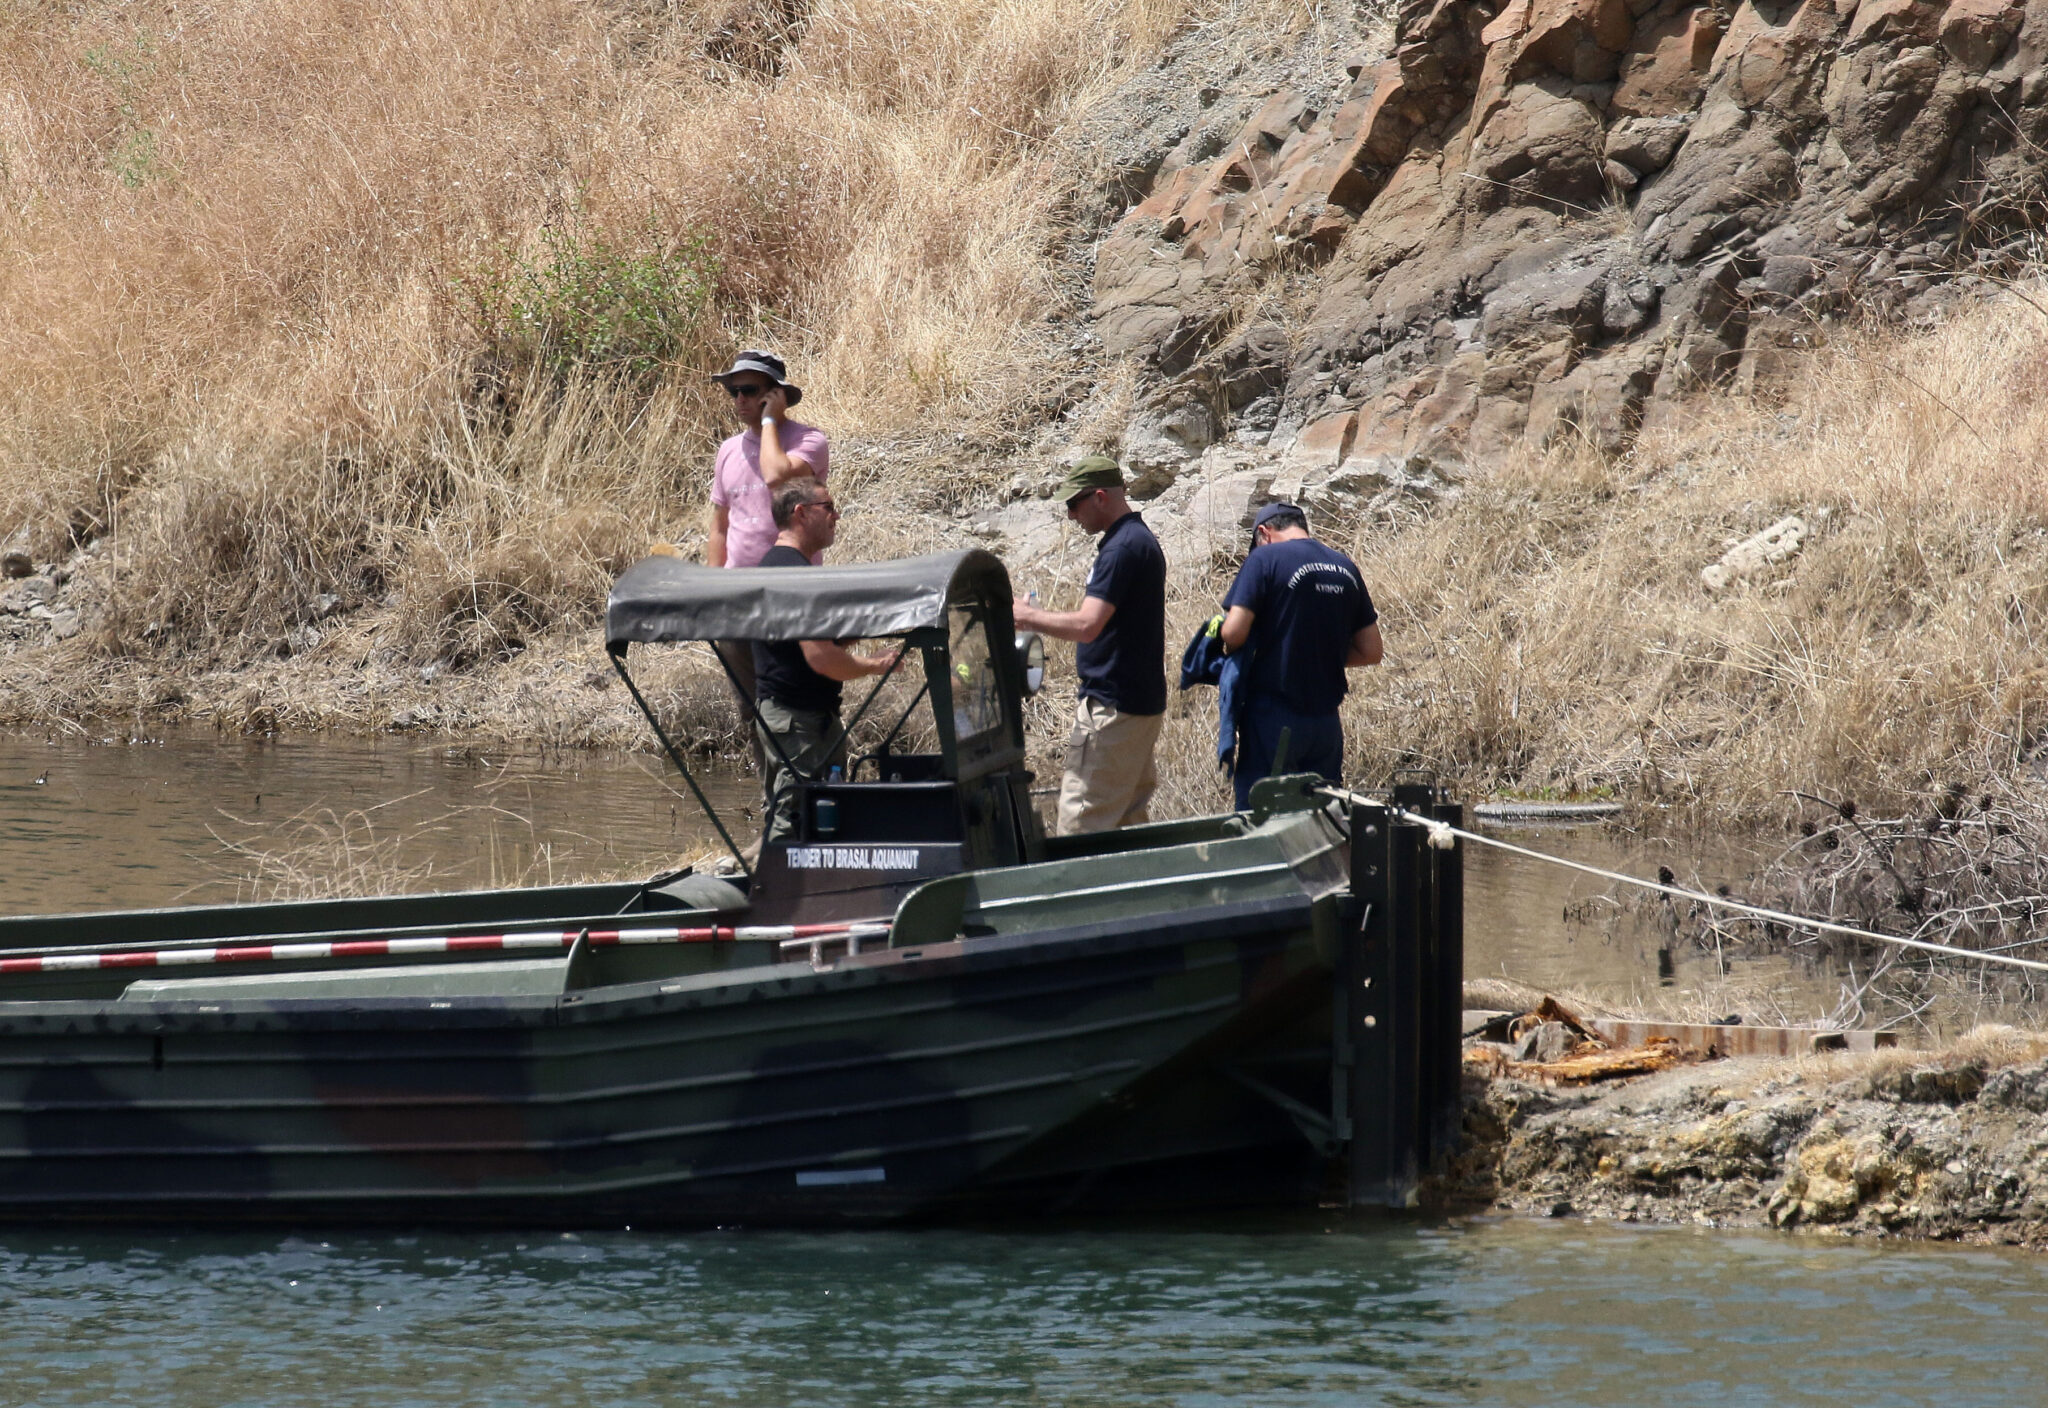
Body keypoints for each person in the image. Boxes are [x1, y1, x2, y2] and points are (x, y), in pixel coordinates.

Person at [1012, 455, 1166, 834]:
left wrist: (1024, 617)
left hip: (1113, 708)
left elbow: (1087, 625)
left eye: (1073, 504)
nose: (1070, 516)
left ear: (1099, 497)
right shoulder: (1134, 540)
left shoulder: (1122, 549)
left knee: (1080, 828)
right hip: (1135, 704)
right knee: (1128, 824)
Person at [751, 477, 899, 842]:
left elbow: (810, 645)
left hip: (796, 716)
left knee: (806, 813)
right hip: (797, 721)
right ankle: (782, 894)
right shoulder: (795, 577)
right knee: (796, 818)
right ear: (801, 513)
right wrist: (875, 665)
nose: (837, 516)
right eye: (828, 508)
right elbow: (821, 658)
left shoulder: (774, 567)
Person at [1218, 502, 1383, 809]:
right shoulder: (1344, 565)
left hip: (1274, 719)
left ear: (1264, 533)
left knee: (1263, 817)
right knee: (1321, 819)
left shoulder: (1265, 559)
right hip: (1326, 726)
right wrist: (1319, 650)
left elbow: (1233, 633)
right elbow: (1371, 651)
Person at [706, 351, 831, 755]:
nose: (740, 399)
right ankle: (772, 798)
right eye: (733, 391)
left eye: (750, 391)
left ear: (775, 396)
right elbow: (719, 527)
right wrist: (713, 587)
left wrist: (769, 422)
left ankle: (809, 793)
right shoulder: (727, 450)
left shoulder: (810, 441)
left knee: (798, 701)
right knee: (751, 708)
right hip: (738, 596)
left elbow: (776, 474)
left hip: (792, 594)